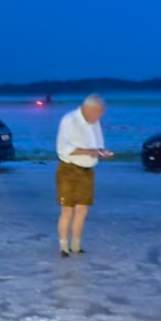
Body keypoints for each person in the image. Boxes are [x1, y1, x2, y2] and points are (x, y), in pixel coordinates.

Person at [55, 95, 113, 257]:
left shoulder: (94, 122)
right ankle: (63, 246)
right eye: (98, 114)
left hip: (87, 171)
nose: (99, 118)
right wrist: (92, 152)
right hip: (69, 170)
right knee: (67, 210)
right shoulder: (69, 120)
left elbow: (97, 144)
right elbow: (66, 149)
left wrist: (102, 152)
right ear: (88, 109)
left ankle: (76, 244)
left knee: (82, 210)